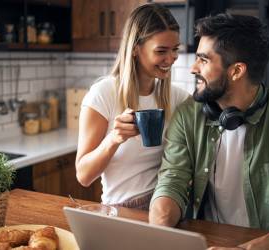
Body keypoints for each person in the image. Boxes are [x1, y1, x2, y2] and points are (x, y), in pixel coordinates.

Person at [149, 13, 269, 250]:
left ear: (236, 71)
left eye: (204, 60)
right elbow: (172, 182)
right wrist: (157, 228)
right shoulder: (188, 115)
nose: (193, 68)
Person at [75, 3, 190, 210]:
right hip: (121, 208)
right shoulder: (104, 94)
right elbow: (84, 176)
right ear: (136, 49)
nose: (171, 58)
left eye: (175, 50)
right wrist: (114, 139)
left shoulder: (179, 97)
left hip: (166, 206)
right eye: (161, 51)